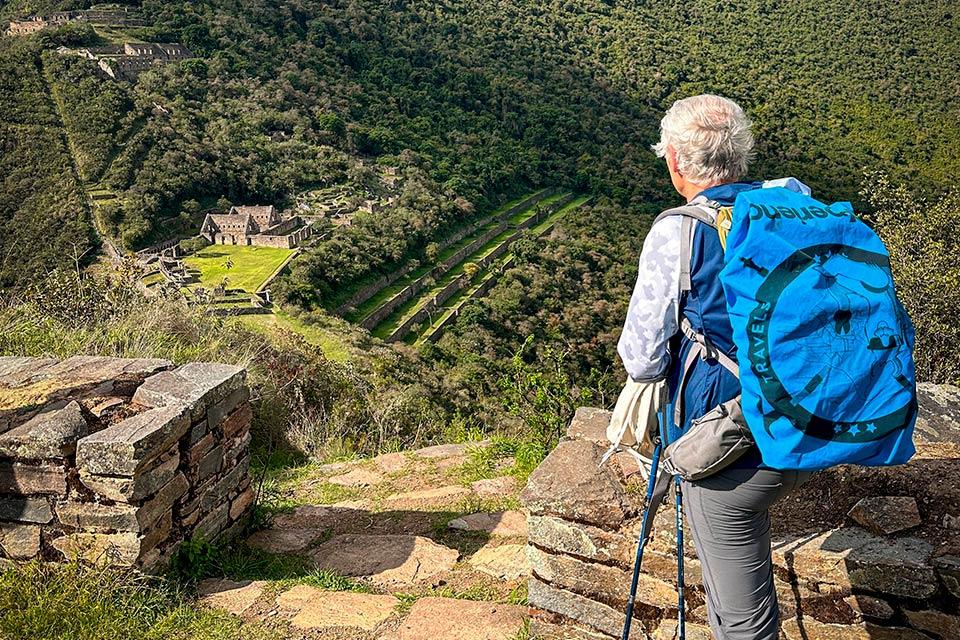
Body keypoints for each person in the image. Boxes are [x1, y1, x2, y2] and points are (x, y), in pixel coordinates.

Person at [618, 94, 812, 640]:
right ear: (741, 154)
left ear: (675, 161)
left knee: (742, 618)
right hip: (807, 417)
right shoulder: (791, 203)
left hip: (727, 438)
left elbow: (641, 354)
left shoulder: (678, 231)